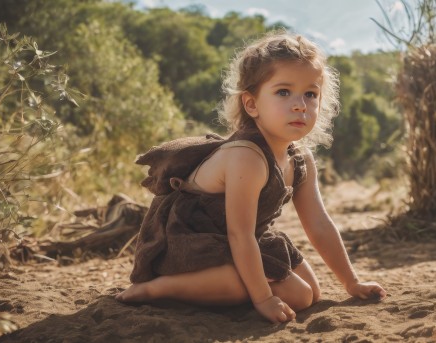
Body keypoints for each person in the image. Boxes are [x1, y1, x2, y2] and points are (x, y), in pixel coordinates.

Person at [116, 31, 387, 324]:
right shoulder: (247, 156)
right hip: (188, 243)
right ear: (252, 104)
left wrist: (351, 282)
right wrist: (264, 298)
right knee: (248, 287)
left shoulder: (300, 160)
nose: (300, 104)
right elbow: (239, 234)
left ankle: (230, 285)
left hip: (242, 242)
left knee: (308, 294)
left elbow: (319, 224)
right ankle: (156, 289)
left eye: (310, 94)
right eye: (284, 92)